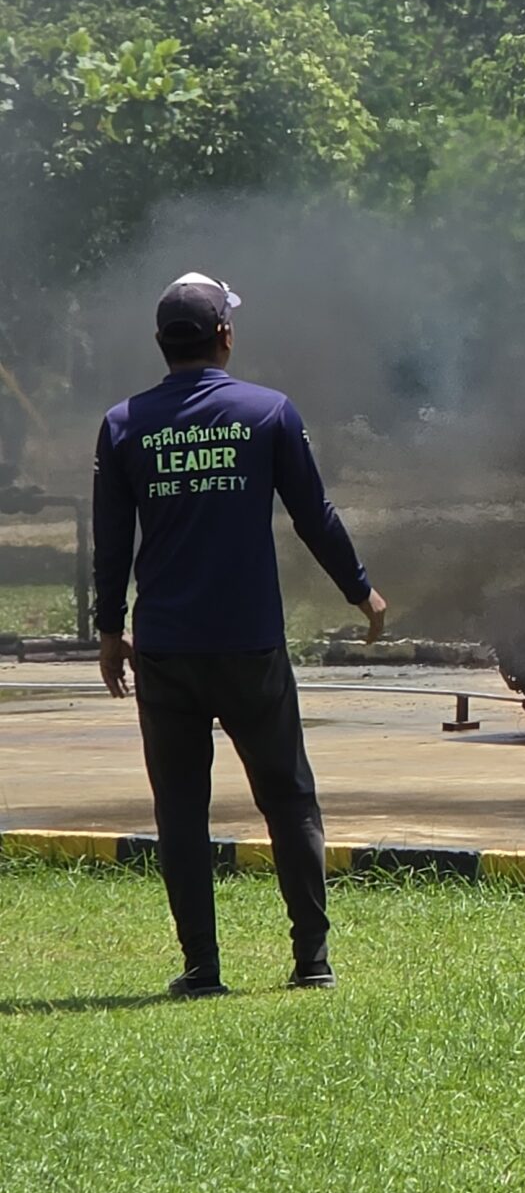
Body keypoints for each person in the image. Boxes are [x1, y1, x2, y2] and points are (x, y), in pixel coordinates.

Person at [93, 273, 389, 996]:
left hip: (165, 650)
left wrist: (108, 630)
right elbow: (314, 515)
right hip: (251, 645)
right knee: (288, 798)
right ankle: (311, 961)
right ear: (224, 336)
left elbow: (111, 539)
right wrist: (361, 591)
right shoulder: (268, 413)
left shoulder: (124, 425)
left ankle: (201, 967)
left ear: (161, 343)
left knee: (181, 810)